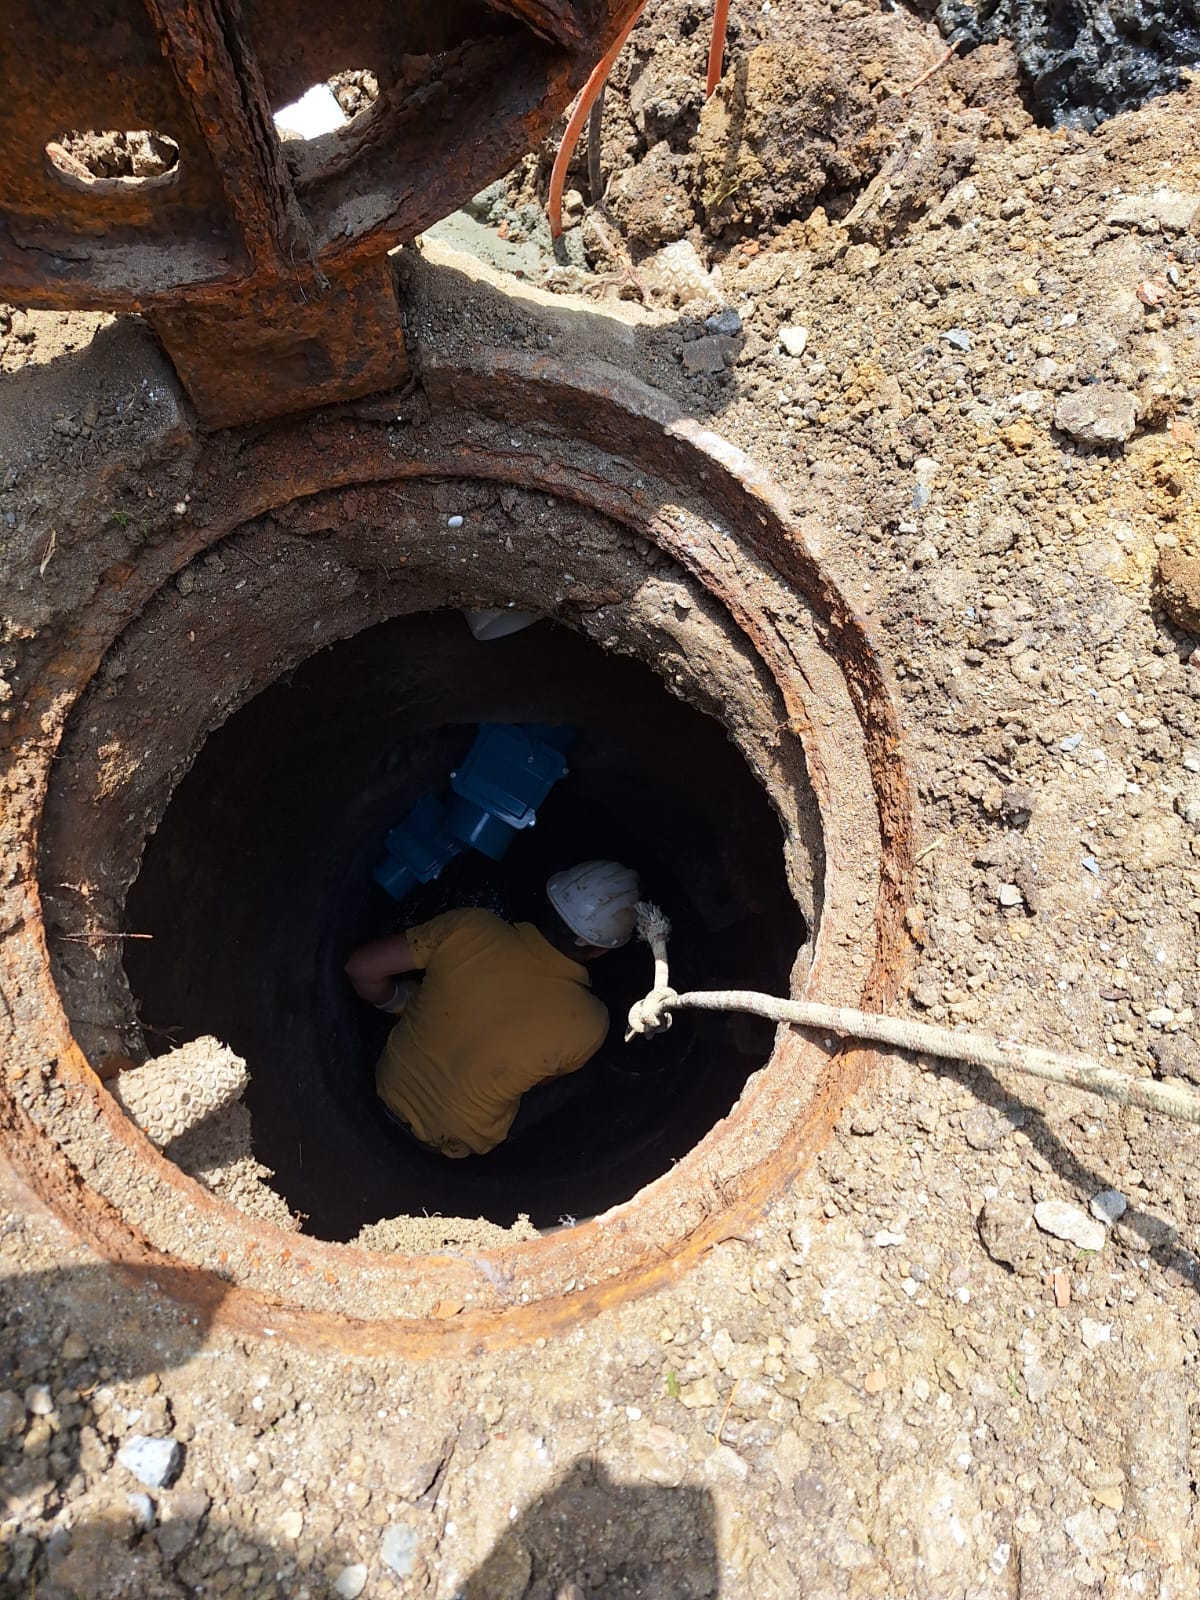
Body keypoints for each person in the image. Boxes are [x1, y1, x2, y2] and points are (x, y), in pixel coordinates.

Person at [345, 860, 640, 1158]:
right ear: (602, 950)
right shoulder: (592, 1023)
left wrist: (400, 1000)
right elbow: (540, 1081)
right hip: (452, 1140)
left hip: (385, 1085)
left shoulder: (470, 926)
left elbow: (360, 969)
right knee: (581, 1076)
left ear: (549, 899)